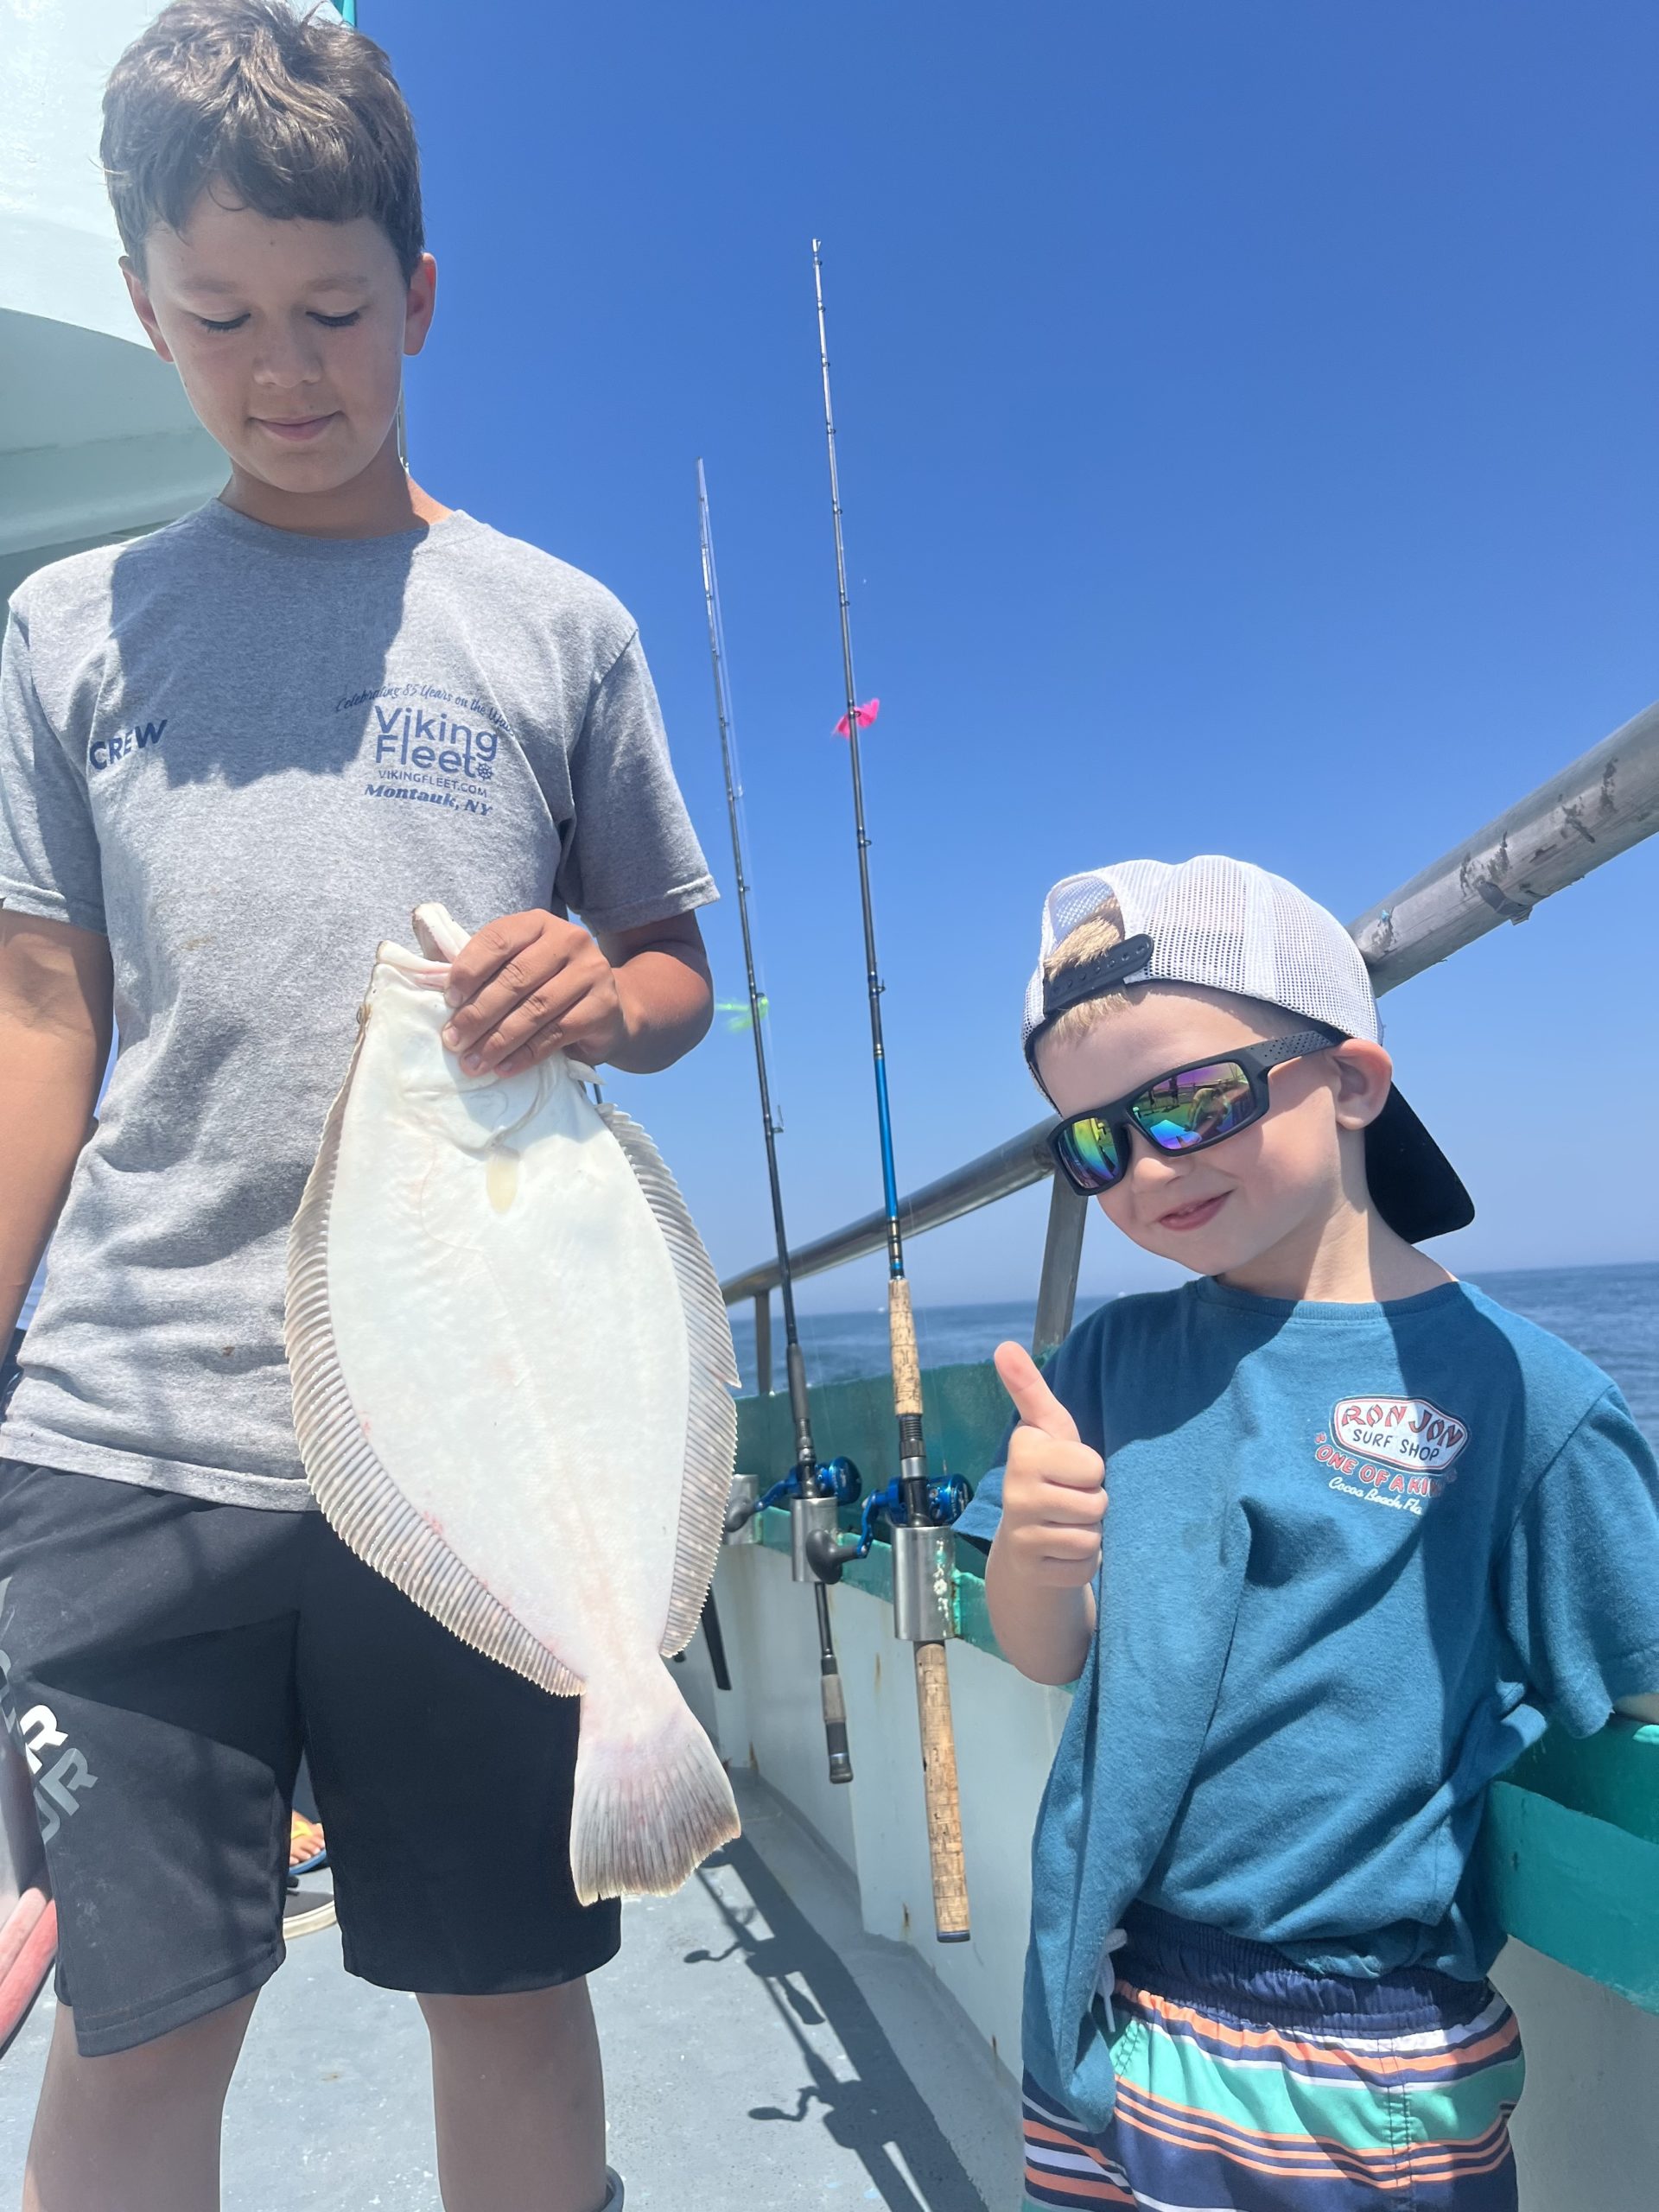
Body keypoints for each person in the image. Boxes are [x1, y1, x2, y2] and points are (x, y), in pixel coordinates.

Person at [0, 5, 720, 2207]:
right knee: (138, 2019)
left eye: (329, 309)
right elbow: (40, 1011)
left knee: (503, 1988)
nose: (281, 367)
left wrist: (600, 990)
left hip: (487, 1423)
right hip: (128, 1418)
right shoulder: (66, 628)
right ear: (147, 312)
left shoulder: (554, 626)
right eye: (219, 316)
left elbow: (674, 974)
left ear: (417, 296)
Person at [958, 855, 1659, 2212]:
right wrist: (1035, 1560)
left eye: (1192, 1101)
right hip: (1099, 2003)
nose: (1149, 1166)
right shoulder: (1104, 1362)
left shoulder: (1530, 1398)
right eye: (1094, 1143)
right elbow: (1051, 1653)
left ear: (1352, 1081)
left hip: (1367, 2050)